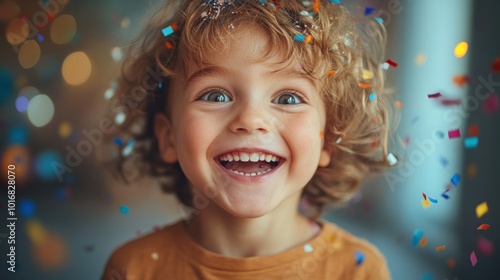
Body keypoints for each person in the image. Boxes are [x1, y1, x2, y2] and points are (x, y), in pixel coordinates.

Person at [101, 0, 395, 279]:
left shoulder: (359, 270)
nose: (251, 119)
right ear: (169, 138)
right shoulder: (131, 269)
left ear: (328, 140)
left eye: (288, 98)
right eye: (215, 95)